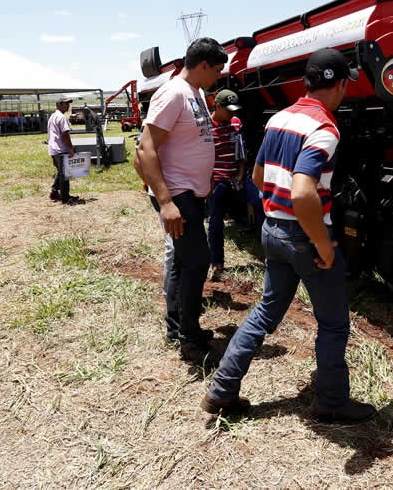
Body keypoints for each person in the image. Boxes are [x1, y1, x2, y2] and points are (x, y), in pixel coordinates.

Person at [202, 48, 376, 423]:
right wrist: (323, 244)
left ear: (308, 81)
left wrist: (276, 216)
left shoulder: (280, 118)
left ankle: (222, 389)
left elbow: (259, 177)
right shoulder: (325, 129)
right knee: (332, 322)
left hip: (272, 230)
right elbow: (302, 190)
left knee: (265, 312)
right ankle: (331, 401)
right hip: (304, 235)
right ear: (341, 84)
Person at [134, 37, 228, 365]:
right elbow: (145, 149)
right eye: (216, 69)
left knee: (183, 262)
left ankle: (180, 327)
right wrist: (166, 201)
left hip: (192, 192)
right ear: (202, 65)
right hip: (177, 194)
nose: (218, 76)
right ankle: (189, 339)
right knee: (197, 261)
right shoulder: (173, 93)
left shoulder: (197, 93)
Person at [206, 88, 265, 282]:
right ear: (218, 106)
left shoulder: (235, 123)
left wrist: (241, 173)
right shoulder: (205, 126)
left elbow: (240, 150)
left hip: (236, 176)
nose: (232, 114)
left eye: (235, 110)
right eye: (229, 110)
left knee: (260, 202)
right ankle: (217, 264)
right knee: (216, 222)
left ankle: (270, 255)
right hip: (217, 180)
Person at [47, 97, 81, 205]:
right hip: (61, 149)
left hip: (53, 148)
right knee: (65, 174)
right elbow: (65, 134)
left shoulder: (52, 116)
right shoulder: (61, 117)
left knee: (60, 172)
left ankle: (54, 192)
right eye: (66, 104)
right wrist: (70, 149)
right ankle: (65, 198)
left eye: (68, 104)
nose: (68, 106)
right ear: (59, 105)